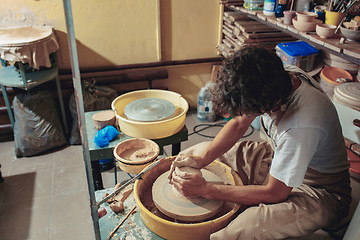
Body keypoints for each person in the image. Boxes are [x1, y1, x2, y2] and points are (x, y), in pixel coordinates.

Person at [168, 46, 352, 239]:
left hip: (319, 191)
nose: (240, 115)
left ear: (268, 106)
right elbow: (239, 123)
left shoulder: (300, 124)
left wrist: (206, 190)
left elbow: (275, 193)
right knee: (193, 154)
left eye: (246, 111)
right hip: (279, 155)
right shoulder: (279, 76)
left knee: (234, 233)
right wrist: (201, 160)